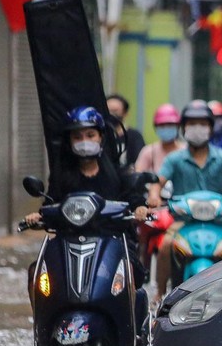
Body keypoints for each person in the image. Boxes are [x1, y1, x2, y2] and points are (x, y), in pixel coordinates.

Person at [23, 105, 151, 283]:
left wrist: (140, 208)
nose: (84, 141)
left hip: (112, 242)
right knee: (36, 274)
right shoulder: (61, 176)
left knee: (128, 272)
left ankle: (131, 311)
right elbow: (51, 204)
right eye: (78, 137)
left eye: (90, 135)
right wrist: (38, 217)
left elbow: (133, 197)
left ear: (101, 137)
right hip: (68, 243)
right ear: (70, 141)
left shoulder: (117, 173)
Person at [147, 100, 222, 298]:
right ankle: (159, 295)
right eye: (192, 124)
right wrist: (154, 196)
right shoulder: (174, 159)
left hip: (221, 222)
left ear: (210, 127)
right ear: (183, 128)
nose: (197, 129)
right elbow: (158, 182)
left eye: (203, 124)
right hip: (183, 221)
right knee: (165, 246)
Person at [133, 104, 184, 273]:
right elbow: (137, 176)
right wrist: (150, 196)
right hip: (155, 206)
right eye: (162, 126)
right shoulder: (150, 152)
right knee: (141, 228)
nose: (166, 129)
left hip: (180, 206)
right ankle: (142, 264)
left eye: (170, 125)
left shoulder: (184, 152)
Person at [106, 93, 145, 168]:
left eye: (115, 111)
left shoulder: (134, 136)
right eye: (108, 111)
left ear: (125, 113)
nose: (111, 114)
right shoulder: (99, 135)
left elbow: (139, 162)